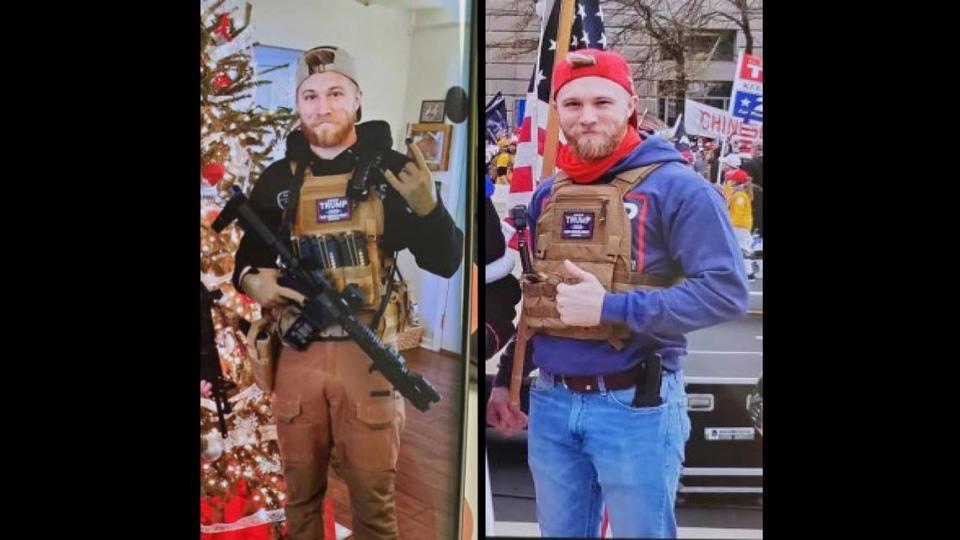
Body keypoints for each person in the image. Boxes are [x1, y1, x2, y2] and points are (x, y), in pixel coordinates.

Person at [485, 49, 748, 539]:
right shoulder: (548, 194)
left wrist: (611, 308)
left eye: (602, 102)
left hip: (636, 406)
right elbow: (539, 296)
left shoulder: (680, 189)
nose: (587, 117)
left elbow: (726, 292)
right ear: (556, 111)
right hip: (551, 404)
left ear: (630, 105)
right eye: (573, 104)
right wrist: (509, 380)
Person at [231, 45, 463, 540]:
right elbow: (245, 259)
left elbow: (446, 262)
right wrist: (253, 280)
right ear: (298, 105)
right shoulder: (277, 179)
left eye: (336, 93)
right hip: (297, 355)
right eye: (310, 95)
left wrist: (429, 212)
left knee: (375, 508)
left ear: (357, 99)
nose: (323, 106)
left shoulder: (395, 172)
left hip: (371, 357)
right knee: (300, 499)